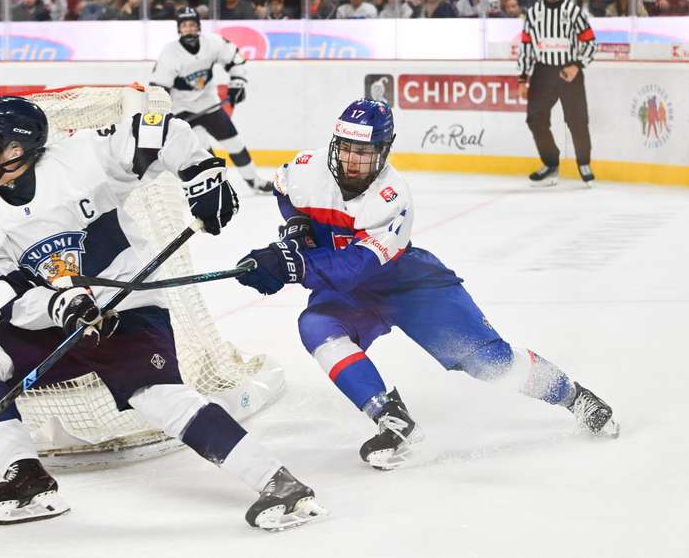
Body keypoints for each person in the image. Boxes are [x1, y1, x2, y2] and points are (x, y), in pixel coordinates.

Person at [0, 95, 325, 530]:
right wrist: (59, 304)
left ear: (15, 150)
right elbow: (11, 298)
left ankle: (278, 484)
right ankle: (25, 475)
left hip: (129, 309)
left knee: (158, 397)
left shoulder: (81, 159)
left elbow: (158, 128)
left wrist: (203, 174)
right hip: (57, 322)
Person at [234, 99, 620, 470]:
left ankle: (574, 397)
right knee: (315, 326)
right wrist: (296, 226)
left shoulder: (393, 197)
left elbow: (356, 267)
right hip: (347, 293)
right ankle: (393, 422)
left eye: (364, 153)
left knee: (489, 363)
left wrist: (293, 263)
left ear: (384, 151)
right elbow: (283, 187)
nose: (352, 161)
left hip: (410, 286)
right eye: (346, 149)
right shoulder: (306, 166)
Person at [151, 7, 273, 192]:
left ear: (199, 26)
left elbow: (235, 58)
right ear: (179, 29)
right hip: (181, 109)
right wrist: (163, 115)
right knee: (202, 151)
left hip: (208, 103)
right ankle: (216, 188)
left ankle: (254, 181)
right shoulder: (170, 53)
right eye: (184, 25)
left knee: (235, 142)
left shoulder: (212, 43)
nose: (189, 29)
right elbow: (159, 88)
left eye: (192, 24)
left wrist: (238, 82)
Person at [518, 0, 596, 187]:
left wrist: (578, 65)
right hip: (543, 72)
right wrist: (522, 77)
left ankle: (584, 164)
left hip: (568, 71)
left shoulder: (573, 12)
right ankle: (551, 163)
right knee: (535, 119)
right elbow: (526, 47)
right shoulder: (533, 14)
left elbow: (590, 42)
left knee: (577, 120)